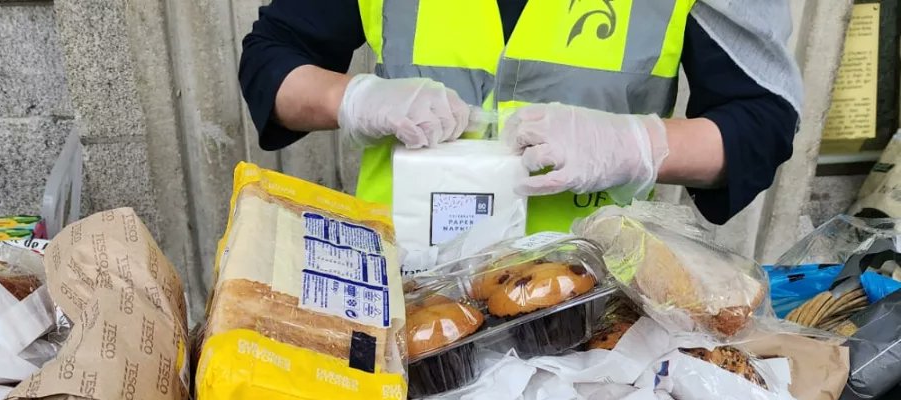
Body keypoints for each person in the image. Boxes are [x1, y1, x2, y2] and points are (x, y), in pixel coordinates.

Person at [240, 1, 802, 231]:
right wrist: (356, 100)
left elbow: (761, 122)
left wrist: (633, 145)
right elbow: (271, 59)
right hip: (404, 290)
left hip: (593, 305)